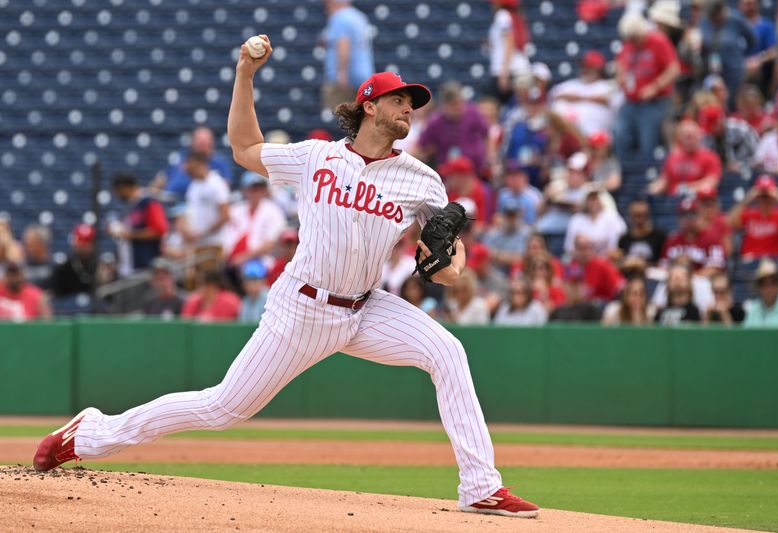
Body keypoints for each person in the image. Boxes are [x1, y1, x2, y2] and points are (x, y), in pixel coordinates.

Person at [32, 39, 540, 519]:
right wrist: (245, 74)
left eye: (413, 102)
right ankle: (90, 433)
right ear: (369, 105)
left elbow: (449, 260)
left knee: (447, 352)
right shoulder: (316, 157)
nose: (410, 108)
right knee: (222, 408)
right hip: (302, 308)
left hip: (366, 308)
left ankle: (480, 487)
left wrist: (451, 266)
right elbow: (244, 148)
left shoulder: (421, 179)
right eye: (400, 100)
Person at [614, 10, 681, 161]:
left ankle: (645, 173)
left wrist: (655, 86)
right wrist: (620, 76)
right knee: (620, 135)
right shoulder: (628, 44)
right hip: (631, 101)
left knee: (647, 140)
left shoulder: (658, 41)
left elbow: (674, 69)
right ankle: (627, 172)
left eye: (635, 38)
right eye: (630, 39)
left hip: (655, 101)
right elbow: (620, 62)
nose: (633, 42)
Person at [416, 80, 489, 172]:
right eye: (452, 104)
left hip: (476, 171)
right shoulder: (435, 122)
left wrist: (489, 157)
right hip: (449, 175)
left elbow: (486, 134)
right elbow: (422, 147)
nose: (457, 107)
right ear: (444, 105)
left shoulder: (473, 113)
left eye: (459, 103)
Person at [726, 175, 778, 262]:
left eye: (768, 196)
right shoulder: (749, 213)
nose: (765, 199)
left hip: (774, 261)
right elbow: (728, 223)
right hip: (750, 261)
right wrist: (747, 199)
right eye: (762, 196)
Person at [180, 150, 231, 275]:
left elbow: (225, 216)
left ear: (201, 164)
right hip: (198, 245)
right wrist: (186, 230)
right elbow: (190, 214)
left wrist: (202, 233)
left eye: (192, 168)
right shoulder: (193, 187)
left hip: (215, 244)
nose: (190, 172)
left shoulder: (216, 183)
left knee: (213, 280)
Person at [699, 0, 756, 110]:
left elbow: (752, 40)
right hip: (711, 71)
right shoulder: (704, 22)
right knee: (712, 102)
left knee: (731, 102)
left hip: (734, 70)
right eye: (712, 19)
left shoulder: (735, 19)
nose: (715, 21)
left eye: (717, 17)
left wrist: (740, 56)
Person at [110, 172, 169, 275]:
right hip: (129, 267)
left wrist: (130, 234)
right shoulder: (131, 205)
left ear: (124, 187)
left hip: (145, 267)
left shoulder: (148, 202)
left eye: (118, 191)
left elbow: (159, 230)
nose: (117, 195)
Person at [225, 172, 287, 270]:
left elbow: (272, 242)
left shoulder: (273, 211)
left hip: (262, 261)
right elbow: (227, 237)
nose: (257, 192)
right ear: (244, 190)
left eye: (260, 189)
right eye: (253, 189)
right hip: (232, 261)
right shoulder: (236, 210)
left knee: (252, 271)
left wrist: (245, 257)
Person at [550, 50, 621, 137]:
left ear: (598, 69)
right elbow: (555, 95)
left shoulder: (607, 85)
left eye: (588, 66)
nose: (584, 69)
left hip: (596, 136)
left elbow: (611, 100)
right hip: (568, 134)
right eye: (583, 66)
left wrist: (579, 98)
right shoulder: (571, 84)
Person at [151, 126, 233, 199]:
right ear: (193, 142)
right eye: (200, 143)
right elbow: (161, 178)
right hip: (170, 200)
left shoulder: (219, 162)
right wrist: (150, 192)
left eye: (206, 143)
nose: (203, 147)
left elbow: (224, 189)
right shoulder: (180, 158)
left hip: (198, 203)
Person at [321, 0, 374, 110]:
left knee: (338, 119)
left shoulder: (339, 17)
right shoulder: (359, 16)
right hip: (364, 78)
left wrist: (342, 73)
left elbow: (343, 45)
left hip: (345, 80)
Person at [648, 119, 722, 196]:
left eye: (692, 136)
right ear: (680, 138)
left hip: (697, 199)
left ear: (699, 136)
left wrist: (688, 189)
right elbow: (665, 180)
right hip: (674, 200)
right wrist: (651, 190)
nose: (690, 140)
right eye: (686, 137)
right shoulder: (673, 157)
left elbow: (711, 182)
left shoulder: (710, 157)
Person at [661, 198, 727, 275]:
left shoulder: (711, 239)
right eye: (684, 215)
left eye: (692, 214)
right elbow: (663, 266)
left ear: (699, 216)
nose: (688, 219)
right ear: (679, 219)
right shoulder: (671, 240)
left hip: (702, 283)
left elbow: (716, 268)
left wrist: (691, 278)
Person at [487, 0, 531, 103]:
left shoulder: (502, 15)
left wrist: (504, 73)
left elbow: (510, 43)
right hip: (519, 69)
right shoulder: (514, 16)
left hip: (510, 71)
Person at [697, 102, 759, 172]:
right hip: (719, 173)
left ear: (720, 121)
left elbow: (758, 156)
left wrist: (740, 165)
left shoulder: (741, 130)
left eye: (712, 125)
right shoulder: (707, 134)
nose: (710, 130)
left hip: (746, 172)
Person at [564, 187, 626, 258]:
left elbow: (617, 242)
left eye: (595, 199)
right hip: (582, 260)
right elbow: (569, 246)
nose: (593, 202)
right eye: (590, 199)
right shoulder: (576, 219)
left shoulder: (612, 217)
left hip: (607, 259)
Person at [567, 234, 626, 303]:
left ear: (592, 250)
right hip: (579, 306)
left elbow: (620, 288)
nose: (583, 253)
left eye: (586, 248)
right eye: (579, 248)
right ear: (574, 250)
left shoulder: (603, 266)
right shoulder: (570, 267)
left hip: (601, 305)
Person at [743, 258, 778, 327]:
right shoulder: (752, 309)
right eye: (763, 283)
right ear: (758, 287)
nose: (769, 288)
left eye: (773, 283)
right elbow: (747, 335)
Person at [740, 0, 778, 95]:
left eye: (752, 4)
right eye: (746, 4)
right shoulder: (735, 26)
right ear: (740, 5)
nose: (749, 7)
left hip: (760, 67)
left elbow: (773, 51)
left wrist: (758, 60)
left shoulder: (766, 25)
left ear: (757, 5)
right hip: (738, 67)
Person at [482, 199, 531, 273]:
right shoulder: (494, 233)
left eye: (513, 216)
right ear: (502, 217)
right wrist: (509, 257)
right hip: (494, 273)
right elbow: (484, 254)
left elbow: (520, 259)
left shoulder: (525, 233)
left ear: (519, 216)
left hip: (517, 274)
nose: (511, 220)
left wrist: (497, 255)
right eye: (508, 216)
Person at [50, 224, 98, 297]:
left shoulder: (99, 267)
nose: (83, 248)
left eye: (86, 244)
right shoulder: (63, 269)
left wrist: (102, 280)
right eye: (80, 244)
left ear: (93, 244)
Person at [617, 199, 667, 265]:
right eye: (636, 215)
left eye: (643, 215)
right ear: (630, 216)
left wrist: (643, 264)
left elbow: (664, 262)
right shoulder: (624, 239)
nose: (640, 219)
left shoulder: (660, 236)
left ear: (648, 215)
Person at [495, 161, 543, 226]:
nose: (514, 179)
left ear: (525, 177)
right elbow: (498, 218)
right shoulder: (503, 195)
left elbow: (537, 222)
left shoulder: (534, 196)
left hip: (528, 232)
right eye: (511, 176)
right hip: (506, 232)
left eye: (518, 175)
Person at [21, 224, 53, 290]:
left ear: (42, 244)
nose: (27, 247)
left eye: (31, 243)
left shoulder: (55, 267)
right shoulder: (21, 266)